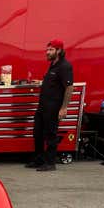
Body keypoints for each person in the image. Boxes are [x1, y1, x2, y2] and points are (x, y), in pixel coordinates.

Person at [26, 39, 74, 172]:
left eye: (51, 50)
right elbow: (54, 83)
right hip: (43, 106)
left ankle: (50, 163)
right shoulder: (53, 65)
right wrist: (41, 82)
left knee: (50, 135)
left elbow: (69, 87)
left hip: (53, 108)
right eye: (47, 50)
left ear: (59, 51)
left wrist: (64, 108)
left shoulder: (65, 66)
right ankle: (39, 160)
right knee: (37, 133)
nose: (47, 52)